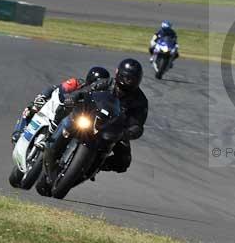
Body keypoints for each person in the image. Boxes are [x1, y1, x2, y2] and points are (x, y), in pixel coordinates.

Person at [39, 59, 148, 194]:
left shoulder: (140, 101)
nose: (128, 81)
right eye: (126, 77)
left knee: (124, 161)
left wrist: (126, 133)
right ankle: (51, 138)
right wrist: (74, 96)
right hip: (90, 118)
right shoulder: (106, 83)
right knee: (69, 120)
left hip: (113, 130)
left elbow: (138, 124)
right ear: (118, 73)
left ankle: (98, 166)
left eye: (132, 79)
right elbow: (86, 91)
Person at [10, 66, 110, 144]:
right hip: (54, 109)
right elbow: (54, 88)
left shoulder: (99, 99)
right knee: (32, 107)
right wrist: (42, 97)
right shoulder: (76, 83)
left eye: (103, 85)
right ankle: (19, 131)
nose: (99, 87)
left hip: (73, 119)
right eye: (98, 84)